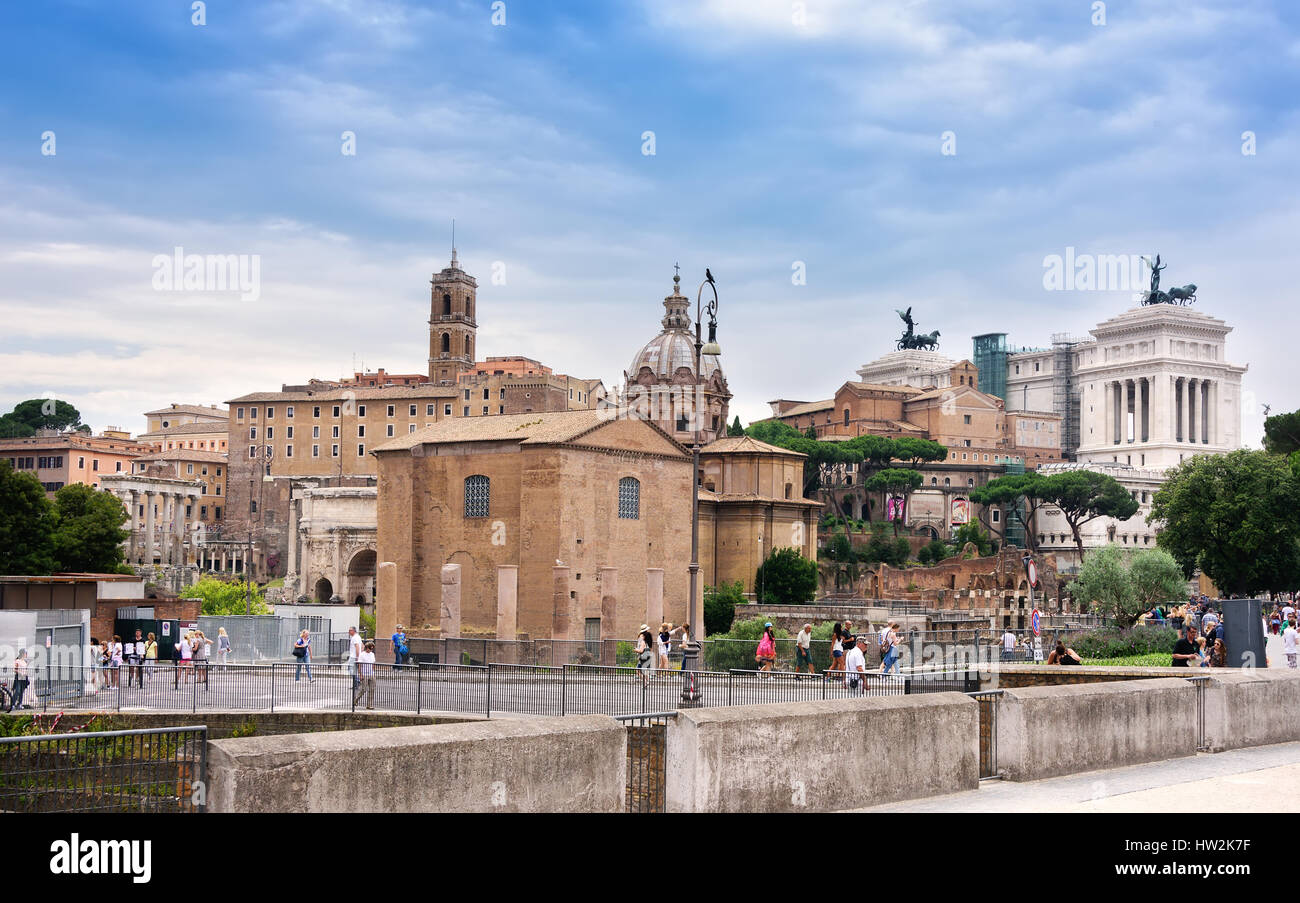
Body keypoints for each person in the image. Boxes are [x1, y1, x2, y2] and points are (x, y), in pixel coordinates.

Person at [352, 640, 377, 709]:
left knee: (372, 689)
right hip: (364, 673)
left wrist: (373, 672)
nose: (371, 650)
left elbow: (373, 664)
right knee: (363, 689)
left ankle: (369, 705)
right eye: (370, 648)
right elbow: (360, 665)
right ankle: (356, 699)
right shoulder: (362, 654)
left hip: (371, 674)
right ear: (367, 648)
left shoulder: (372, 654)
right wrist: (360, 675)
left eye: (372, 648)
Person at [346, 626, 364, 694]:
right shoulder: (358, 637)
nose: (349, 632)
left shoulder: (355, 638)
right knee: (354, 671)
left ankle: (357, 682)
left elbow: (357, 647)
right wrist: (360, 654)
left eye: (350, 630)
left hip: (353, 657)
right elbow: (362, 646)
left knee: (351, 670)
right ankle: (356, 683)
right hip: (356, 656)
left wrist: (357, 656)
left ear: (353, 631)